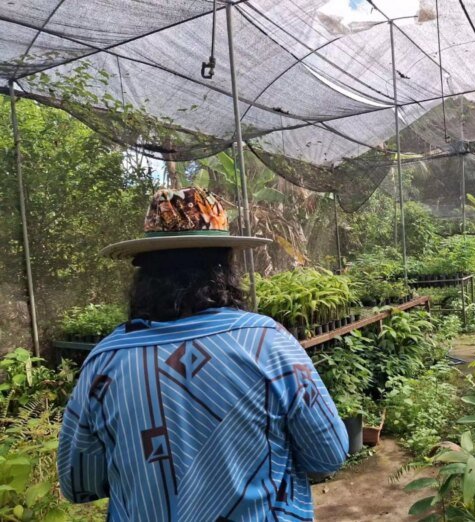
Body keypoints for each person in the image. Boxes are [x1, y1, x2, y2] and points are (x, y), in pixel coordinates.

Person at [58, 186, 348, 521]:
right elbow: (328, 454)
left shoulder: (105, 362)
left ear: (144, 272)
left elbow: (78, 484)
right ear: (224, 267)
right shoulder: (265, 343)